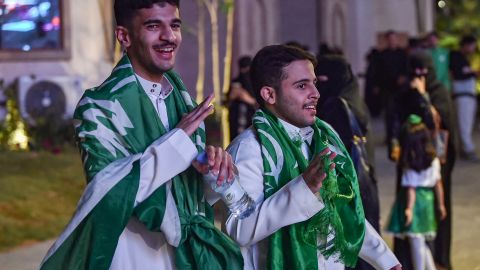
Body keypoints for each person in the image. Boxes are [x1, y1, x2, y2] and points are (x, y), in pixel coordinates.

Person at [39, 1, 243, 269]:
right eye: (153, 26)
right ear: (124, 36)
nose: (169, 36)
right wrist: (177, 140)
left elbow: (190, 197)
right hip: (131, 255)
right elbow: (111, 191)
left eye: (175, 25)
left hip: (185, 258)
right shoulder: (99, 106)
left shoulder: (184, 104)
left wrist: (211, 172)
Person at [225, 45, 401, 270]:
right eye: (301, 85)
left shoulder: (325, 136)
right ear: (269, 94)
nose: (315, 93)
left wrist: (385, 260)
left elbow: (343, 208)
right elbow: (239, 228)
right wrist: (303, 189)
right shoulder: (249, 149)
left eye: (314, 83)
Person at [388, 51, 456, 270]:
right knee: (408, 212)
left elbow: (441, 124)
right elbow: (394, 121)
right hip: (409, 164)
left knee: (436, 211)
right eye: (414, 72)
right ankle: (407, 262)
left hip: (433, 165)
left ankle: (438, 260)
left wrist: (424, 98)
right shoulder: (403, 95)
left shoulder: (439, 93)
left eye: (423, 72)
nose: (418, 77)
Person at [316, 55, 381, 270]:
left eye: (322, 79)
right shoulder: (355, 101)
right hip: (365, 185)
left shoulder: (335, 106)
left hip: (347, 190)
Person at [387, 114, 447, 270]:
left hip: (415, 204)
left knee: (416, 242)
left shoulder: (409, 164)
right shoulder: (433, 161)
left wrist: (408, 209)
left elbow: (411, 189)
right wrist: (440, 204)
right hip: (428, 200)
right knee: (421, 242)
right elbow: (438, 184)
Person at [449, 35, 478, 161]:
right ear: (465, 45)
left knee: (465, 123)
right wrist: (473, 73)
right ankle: (467, 148)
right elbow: (460, 74)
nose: (473, 48)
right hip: (463, 95)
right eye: (472, 45)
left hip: (467, 94)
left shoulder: (463, 58)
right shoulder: (456, 57)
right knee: (464, 123)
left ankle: (463, 148)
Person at [228, 56, 257, 141]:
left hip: (251, 120)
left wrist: (249, 99)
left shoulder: (256, 83)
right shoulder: (236, 82)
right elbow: (230, 99)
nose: (245, 72)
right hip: (237, 120)